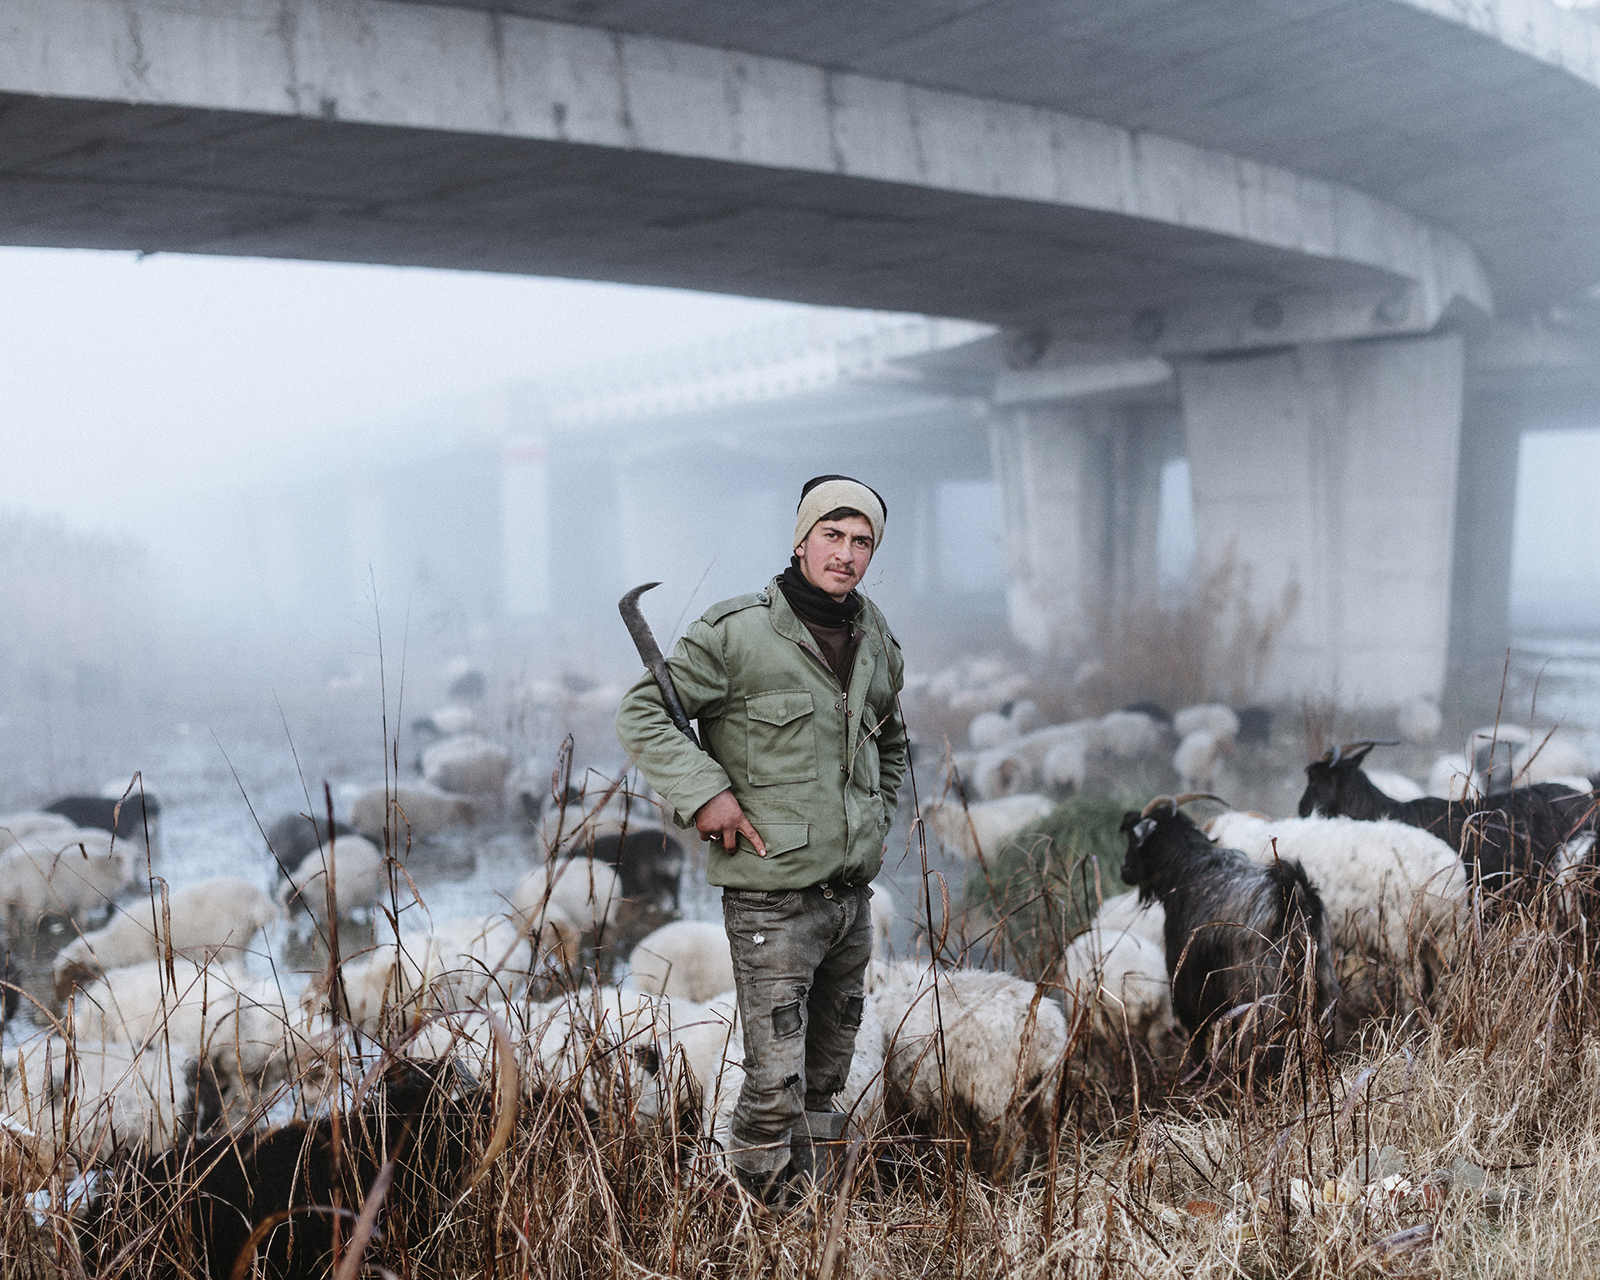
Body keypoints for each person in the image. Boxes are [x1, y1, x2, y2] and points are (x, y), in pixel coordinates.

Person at [615, 474, 907, 1205]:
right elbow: (645, 713)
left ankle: (807, 1220)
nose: (845, 554)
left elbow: (891, 741)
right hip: (772, 902)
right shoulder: (735, 632)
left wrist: (876, 816)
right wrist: (705, 793)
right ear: (802, 540)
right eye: (832, 536)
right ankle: (744, 1224)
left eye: (861, 541)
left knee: (825, 1085)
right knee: (772, 1086)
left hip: (850, 900)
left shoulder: (876, 638)